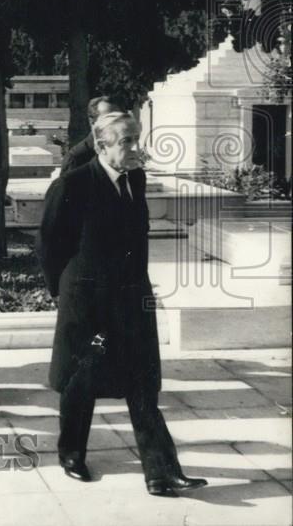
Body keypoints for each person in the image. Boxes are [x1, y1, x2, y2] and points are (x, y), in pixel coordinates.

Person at [38, 112, 208, 497]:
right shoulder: (73, 185)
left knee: (143, 382)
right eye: (126, 141)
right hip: (89, 305)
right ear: (101, 146)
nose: (136, 148)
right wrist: (63, 293)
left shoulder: (136, 178)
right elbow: (49, 244)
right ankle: (71, 455)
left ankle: (161, 471)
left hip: (131, 301)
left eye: (136, 138)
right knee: (82, 379)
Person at [61, 96, 123, 174]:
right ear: (92, 121)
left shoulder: (124, 154)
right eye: (108, 118)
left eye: (119, 118)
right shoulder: (76, 159)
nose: (115, 123)